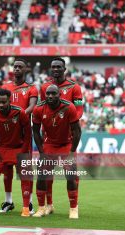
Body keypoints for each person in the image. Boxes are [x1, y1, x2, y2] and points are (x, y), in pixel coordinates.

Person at [39, 57, 83, 215]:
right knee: (46, 172)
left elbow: (79, 109)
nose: (56, 69)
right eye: (53, 67)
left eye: (59, 67)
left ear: (64, 69)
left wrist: (69, 122)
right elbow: (43, 108)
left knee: (70, 172)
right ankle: (49, 205)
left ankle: (74, 207)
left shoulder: (74, 87)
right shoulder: (44, 87)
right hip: (50, 135)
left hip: (68, 135)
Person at [32, 84, 82, 219]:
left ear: (59, 95)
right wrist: (42, 151)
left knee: (70, 175)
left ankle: (73, 208)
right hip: (49, 144)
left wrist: (72, 152)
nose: (50, 96)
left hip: (67, 144)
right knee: (42, 174)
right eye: (48, 94)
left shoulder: (69, 106)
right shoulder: (38, 108)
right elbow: (35, 131)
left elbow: (77, 131)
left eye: (53, 94)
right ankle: (42, 207)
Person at [0, 89, 32, 216]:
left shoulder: (20, 112)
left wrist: (23, 152)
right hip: (2, 149)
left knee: (25, 176)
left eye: (3, 102)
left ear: (9, 101)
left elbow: (28, 134)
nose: (0, 105)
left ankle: (26, 208)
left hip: (19, 147)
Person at [1, 58, 38, 214]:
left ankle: (28, 203)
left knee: (25, 169)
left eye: (20, 67)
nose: (16, 69)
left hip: (23, 133)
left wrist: (18, 116)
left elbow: (32, 106)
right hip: (6, 132)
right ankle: (8, 201)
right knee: (6, 168)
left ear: (26, 70)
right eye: (15, 67)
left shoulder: (31, 88)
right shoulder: (5, 87)